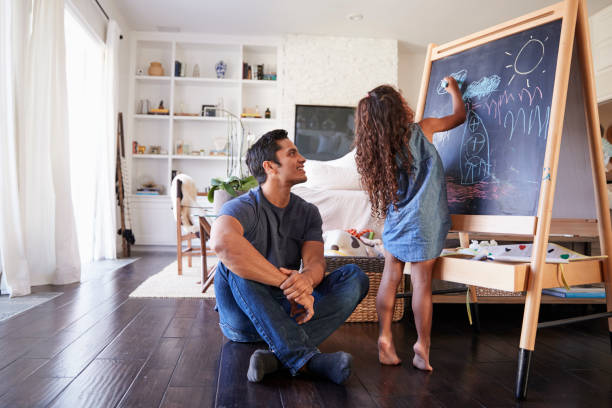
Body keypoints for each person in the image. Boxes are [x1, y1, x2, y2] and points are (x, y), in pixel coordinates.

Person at [210, 129, 369, 384]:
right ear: (270, 166)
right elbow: (221, 242)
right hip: (243, 316)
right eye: (293, 153)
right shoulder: (243, 206)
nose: (303, 159)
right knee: (233, 265)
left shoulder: (307, 213)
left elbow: (316, 262)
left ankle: (276, 358)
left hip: (287, 309)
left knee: (355, 277)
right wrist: (289, 285)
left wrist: (305, 281)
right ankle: (305, 360)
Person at [353, 79, 466, 371]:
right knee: (421, 286)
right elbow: (459, 116)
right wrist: (454, 90)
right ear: (399, 109)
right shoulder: (423, 129)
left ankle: (385, 338)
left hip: (396, 223)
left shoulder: (378, 152)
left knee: (390, 279)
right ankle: (422, 346)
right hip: (424, 223)